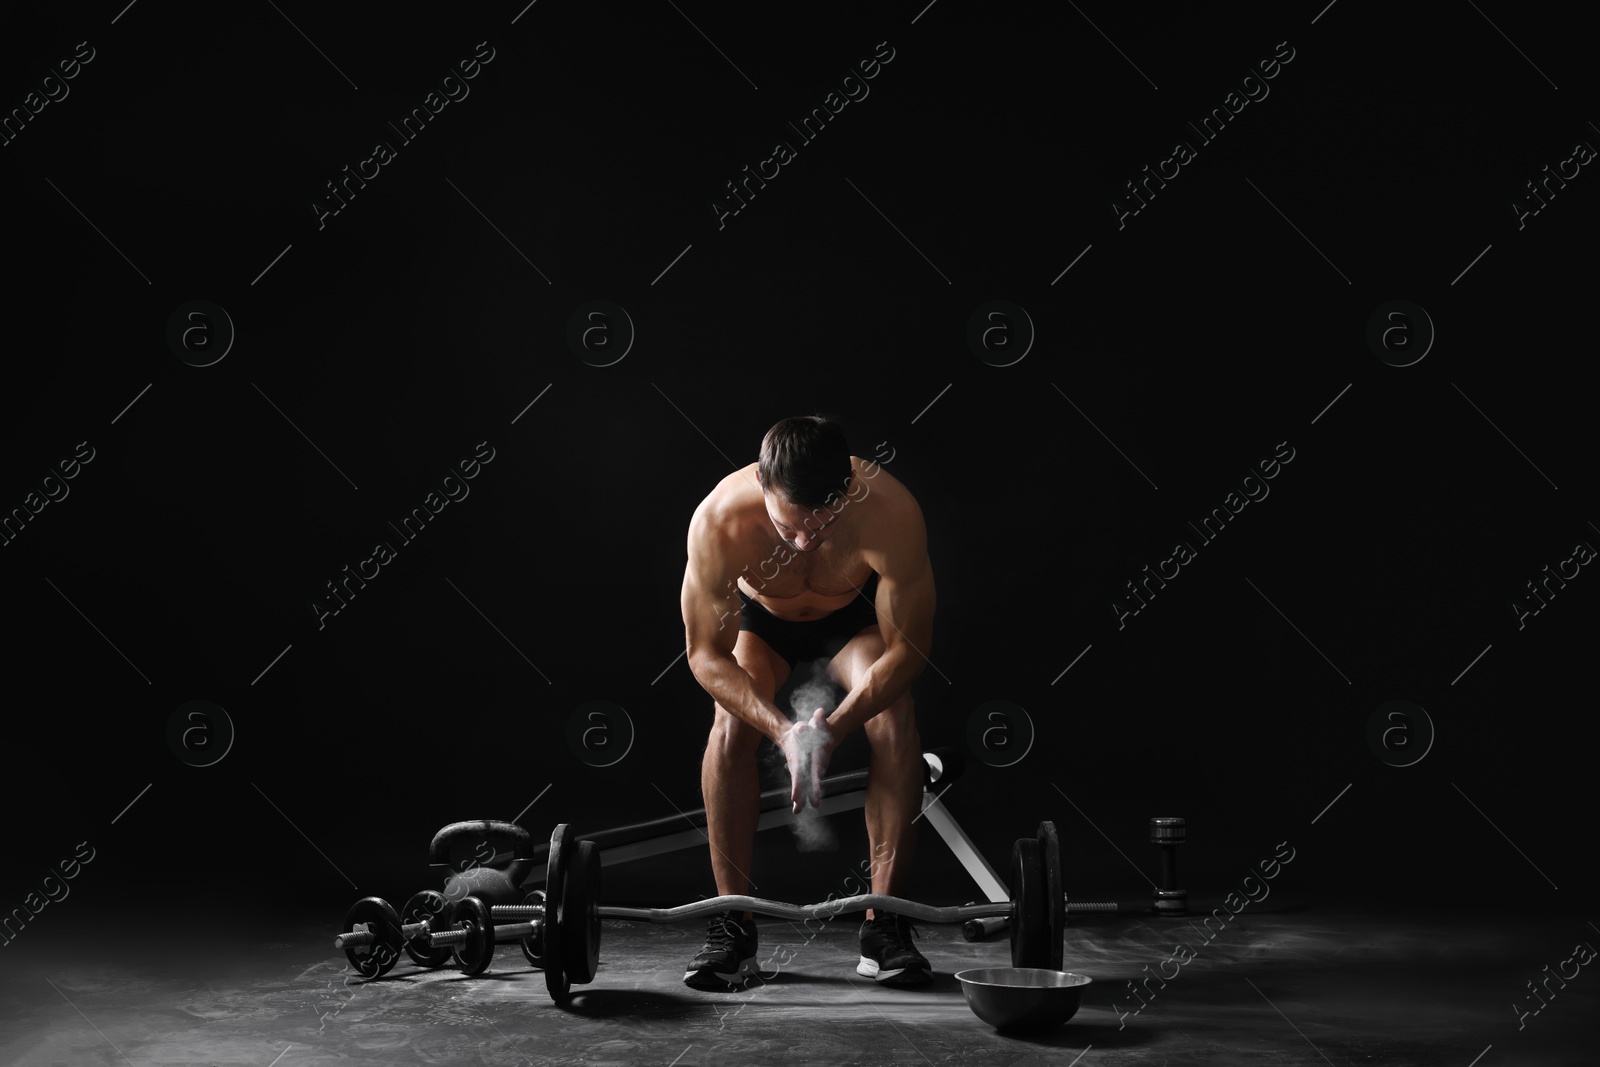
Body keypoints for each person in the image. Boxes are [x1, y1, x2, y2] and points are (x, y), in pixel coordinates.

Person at [678, 415, 936, 989]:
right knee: (730, 723)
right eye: (786, 527)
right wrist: (785, 732)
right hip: (759, 626)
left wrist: (835, 728)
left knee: (895, 715)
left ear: (846, 490)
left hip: (853, 623)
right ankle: (733, 926)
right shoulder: (720, 519)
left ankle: (883, 923)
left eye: (820, 527)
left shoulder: (890, 511)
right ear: (762, 486)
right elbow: (705, 656)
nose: (803, 542)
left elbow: (910, 649)